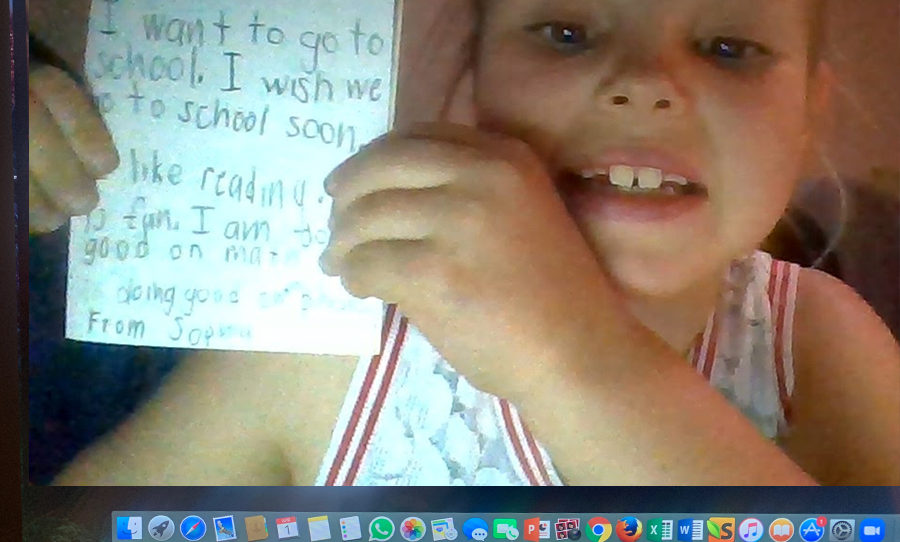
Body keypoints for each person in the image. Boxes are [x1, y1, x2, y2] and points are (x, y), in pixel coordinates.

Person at [35, 0, 899, 485]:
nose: (644, 86)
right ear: (473, 79)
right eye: (567, 32)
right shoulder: (342, 336)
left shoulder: (820, 339)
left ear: (807, 116)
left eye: (729, 47)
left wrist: (572, 351)